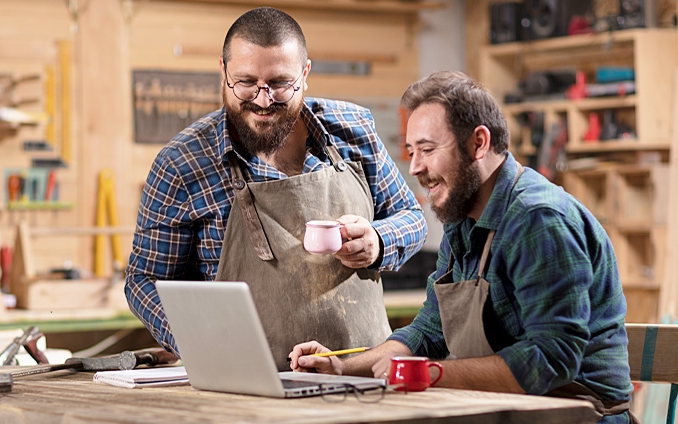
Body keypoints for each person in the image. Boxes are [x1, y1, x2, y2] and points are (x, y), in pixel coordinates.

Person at [290, 71, 634, 423]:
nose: (416, 167)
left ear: (478, 143)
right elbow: (429, 329)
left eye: (427, 149)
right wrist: (341, 369)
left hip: (580, 415)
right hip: (506, 410)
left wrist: (425, 373)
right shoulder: (462, 220)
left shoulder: (539, 219)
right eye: (411, 152)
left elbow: (551, 358)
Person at [125, 7, 426, 370]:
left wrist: (379, 241)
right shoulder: (182, 164)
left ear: (305, 74)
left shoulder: (353, 130)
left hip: (360, 373)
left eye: (280, 83)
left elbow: (412, 218)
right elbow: (145, 280)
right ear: (223, 73)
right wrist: (199, 340)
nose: (264, 100)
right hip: (245, 382)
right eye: (246, 82)